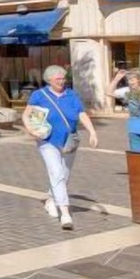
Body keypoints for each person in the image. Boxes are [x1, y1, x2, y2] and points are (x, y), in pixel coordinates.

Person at [22, 65, 99, 231]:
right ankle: (65, 213)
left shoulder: (71, 94)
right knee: (56, 172)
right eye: (58, 79)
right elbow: (26, 114)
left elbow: (81, 114)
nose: (62, 81)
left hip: (69, 140)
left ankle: (51, 199)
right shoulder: (39, 95)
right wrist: (30, 129)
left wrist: (92, 132)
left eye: (63, 78)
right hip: (47, 140)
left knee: (64, 174)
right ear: (49, 80)